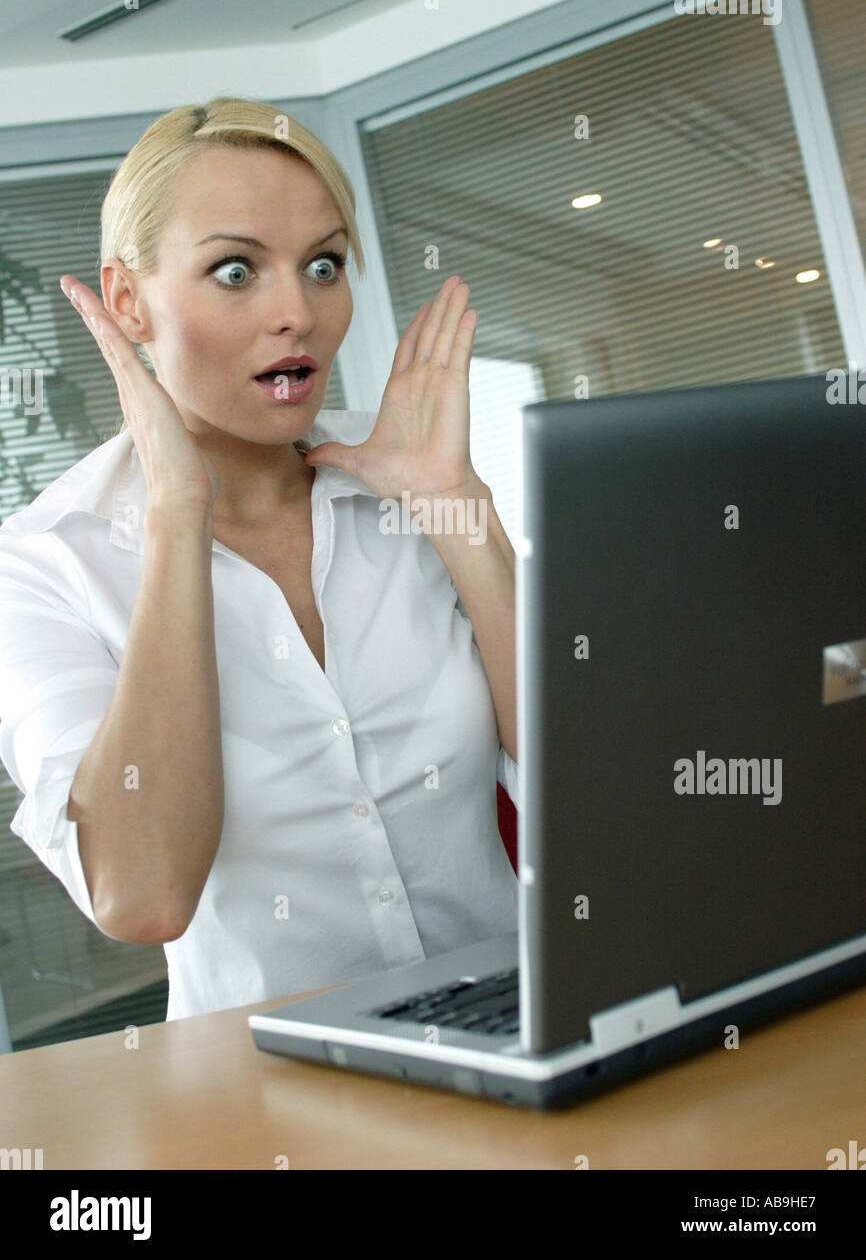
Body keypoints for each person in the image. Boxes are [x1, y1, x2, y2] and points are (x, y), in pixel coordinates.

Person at [0, 96, 520, 1021]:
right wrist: (176, 512)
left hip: (523, 1030)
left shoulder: (411, 472)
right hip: (260, 1109)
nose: (298, 314)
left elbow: (601, 797)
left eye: (323, 265)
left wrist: (459, 510)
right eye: (235, 270)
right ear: (129, 302)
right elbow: (145, 892)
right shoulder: (46, 564)